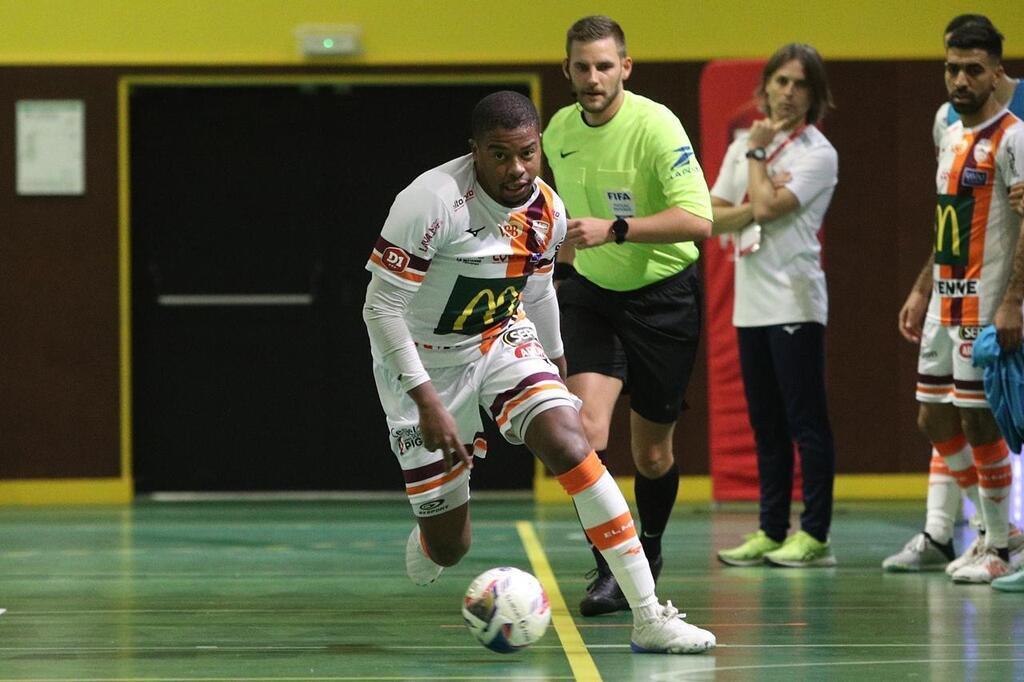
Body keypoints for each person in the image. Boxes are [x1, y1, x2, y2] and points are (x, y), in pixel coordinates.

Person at [361, 90, 715, 653]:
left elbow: (540, 289)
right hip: (424, 364)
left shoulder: (547, 210)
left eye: (528, 153)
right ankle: (434, 540)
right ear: (474, 151)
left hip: (500, 339)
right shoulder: (429, 202)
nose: (517, 169)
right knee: (450, 546)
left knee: (572, 444)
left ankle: (649, 616)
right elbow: (379, 309)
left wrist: (555, 365)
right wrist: (427, 400)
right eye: (500, 155)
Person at [542, 16, 713, 616]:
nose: (593, 78)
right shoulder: (559, 129)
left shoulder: (656, 126)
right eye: (582, 66)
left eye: (604, 66)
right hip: (591, 295)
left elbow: (699, 220)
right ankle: (612, 564)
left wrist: (615, 229)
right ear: (567, 70)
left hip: (663, 298)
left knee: (652, 457)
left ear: (625, 68)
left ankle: (652, 547)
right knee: (584, 433)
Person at [883, 14, 1024, 575]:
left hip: (986, 305)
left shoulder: (1013, 137)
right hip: (945, 299)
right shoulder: (950, 131)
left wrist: (1013, 300)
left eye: (972, 70)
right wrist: (922, 287)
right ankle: (1001, 532)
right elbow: (948, 223)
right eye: (951, 69)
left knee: (981, 423)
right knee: (933, 420)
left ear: (996, 74)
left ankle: (1000, 547)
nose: (959, 80)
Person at [707, 44, 839, 568]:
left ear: (814, 94)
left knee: (806, 421)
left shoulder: (817, 153)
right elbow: (713, 216)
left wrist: (758, 166)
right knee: (766, 423)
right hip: (750, 303)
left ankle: (815, 534)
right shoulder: (744, 143)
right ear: (765, 87)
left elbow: (760, 206)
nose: (786, 93)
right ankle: (769, 528)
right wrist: (754, 197)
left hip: (795, 300)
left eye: (798, 84)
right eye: (779, 81)